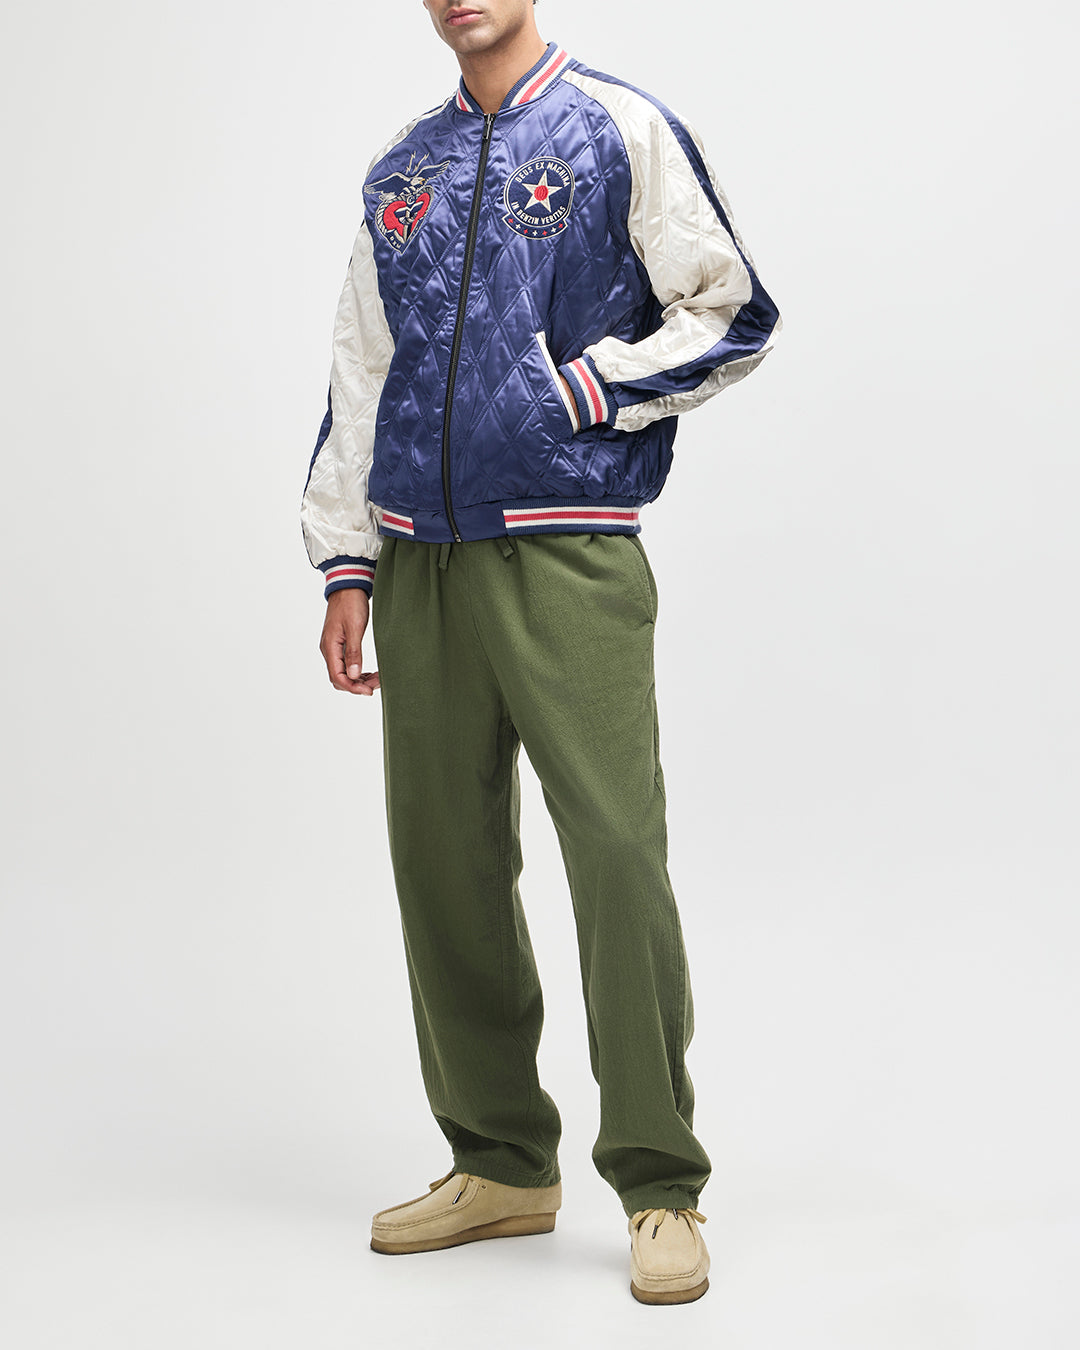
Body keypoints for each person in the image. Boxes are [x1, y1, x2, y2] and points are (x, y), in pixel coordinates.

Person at [299, 0, 781, 1306]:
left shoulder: (618, 126)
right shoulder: (403, 168)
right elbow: (362, 368)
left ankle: (661, 1181)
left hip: (568, 550)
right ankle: (500, 1160)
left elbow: (732, 306)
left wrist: (590, 388)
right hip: (419, 562)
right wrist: (347, 559)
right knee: (443, 863)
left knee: (615, 853)